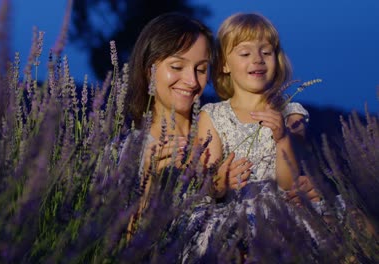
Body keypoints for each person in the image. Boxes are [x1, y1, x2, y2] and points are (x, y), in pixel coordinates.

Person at [182, 13, 317, 260]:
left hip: (281, 211)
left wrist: (282, 138)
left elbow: (289, 183)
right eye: (245, 54)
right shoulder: (212, 115)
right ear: (224, 63)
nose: (257, 59)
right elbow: (205, 179)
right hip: (231, 211)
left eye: (266, 52)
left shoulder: (292, 113)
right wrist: (222, 180)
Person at [122, 12, 214, 238]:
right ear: (148, 69)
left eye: (201, 69)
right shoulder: (125, 153)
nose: (192, 81)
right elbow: (121, 246)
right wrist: (151, 184)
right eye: (177, 66)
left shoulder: (221, 134)